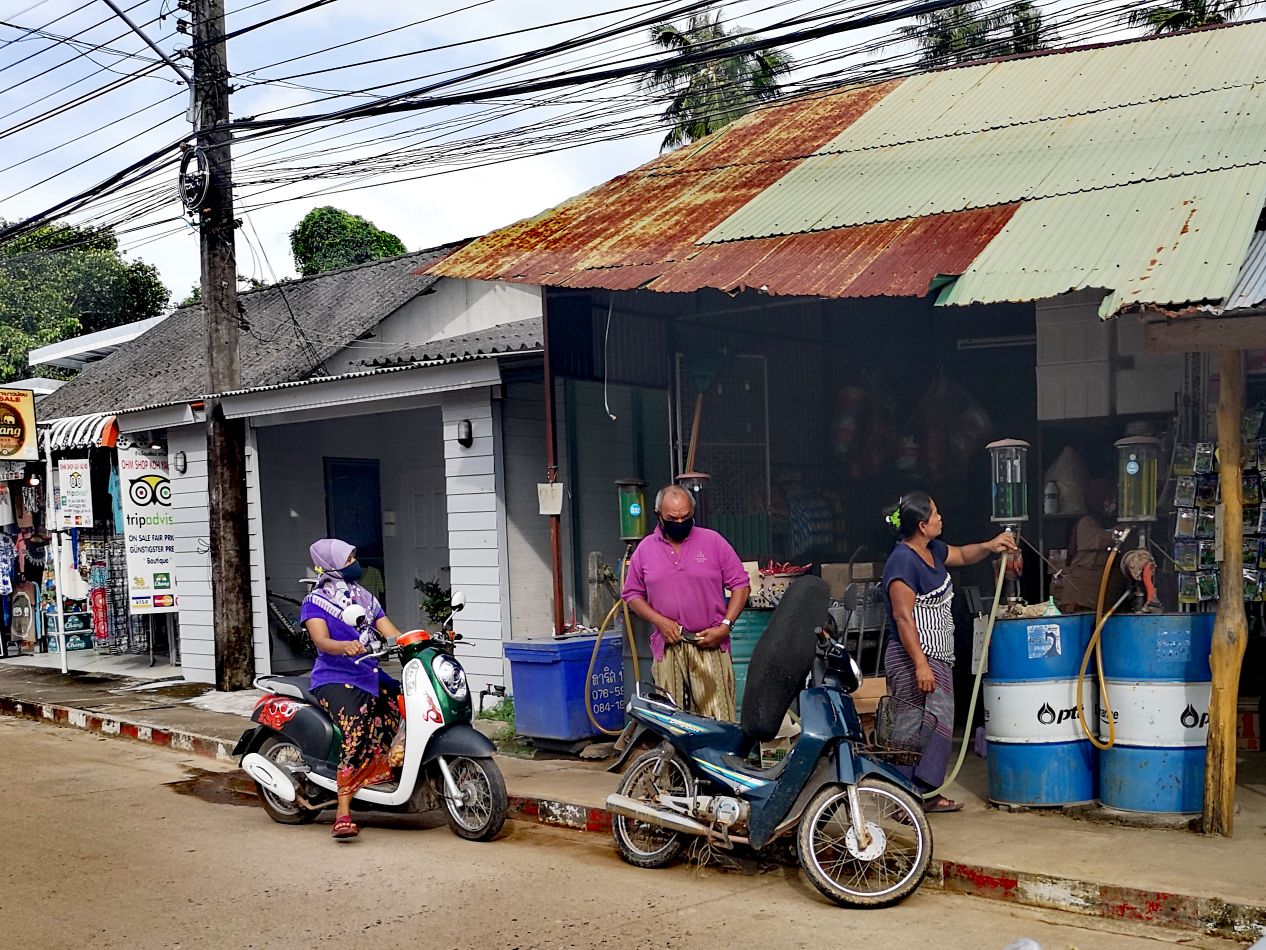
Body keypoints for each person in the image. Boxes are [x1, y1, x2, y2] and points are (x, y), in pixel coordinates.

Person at [881, 492, 1017, 813]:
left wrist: (990, 545)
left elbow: (963, 555)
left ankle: (926, 793)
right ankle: (904, 798)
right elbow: (903, 616)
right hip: (912, 657)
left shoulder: (932, 551)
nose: (941, 518)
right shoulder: (902, 561)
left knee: (937, 721)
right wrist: (920, 665)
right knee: (910, 726)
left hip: (937, 656)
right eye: (936, 514)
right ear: (921, 525)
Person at [301, 538, 405, 840]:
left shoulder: (365, 597)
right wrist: (343, 646)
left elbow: (391, 632)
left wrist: (420, 640)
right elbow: (321, 640)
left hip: (369, 673)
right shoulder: (316, 602)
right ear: (332, 564)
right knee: (357, 729)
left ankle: (384, 776)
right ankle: (343, 811)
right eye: (348, 559)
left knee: (403, 706)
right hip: (334, 677)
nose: (354, 564)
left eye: (354, 557)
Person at [622, 485, 751, 722]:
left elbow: (741, 585)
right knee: (673, 721)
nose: (679, 522)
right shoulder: (645, 550)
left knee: (718, 721)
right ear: (659, 515)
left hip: (709, 642)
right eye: (673, 518)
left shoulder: (713, 542)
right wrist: (659, 621)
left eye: (686, 517)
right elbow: (632, 595)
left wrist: (725, 626)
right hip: (668, 646)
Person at [1053, 478, 1127, 614]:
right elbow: (1104, 539)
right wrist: (1126, 529)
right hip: (1081, 601)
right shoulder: (1086, 523)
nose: (1112, 502)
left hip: (1105, 600)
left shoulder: (1107, 523)